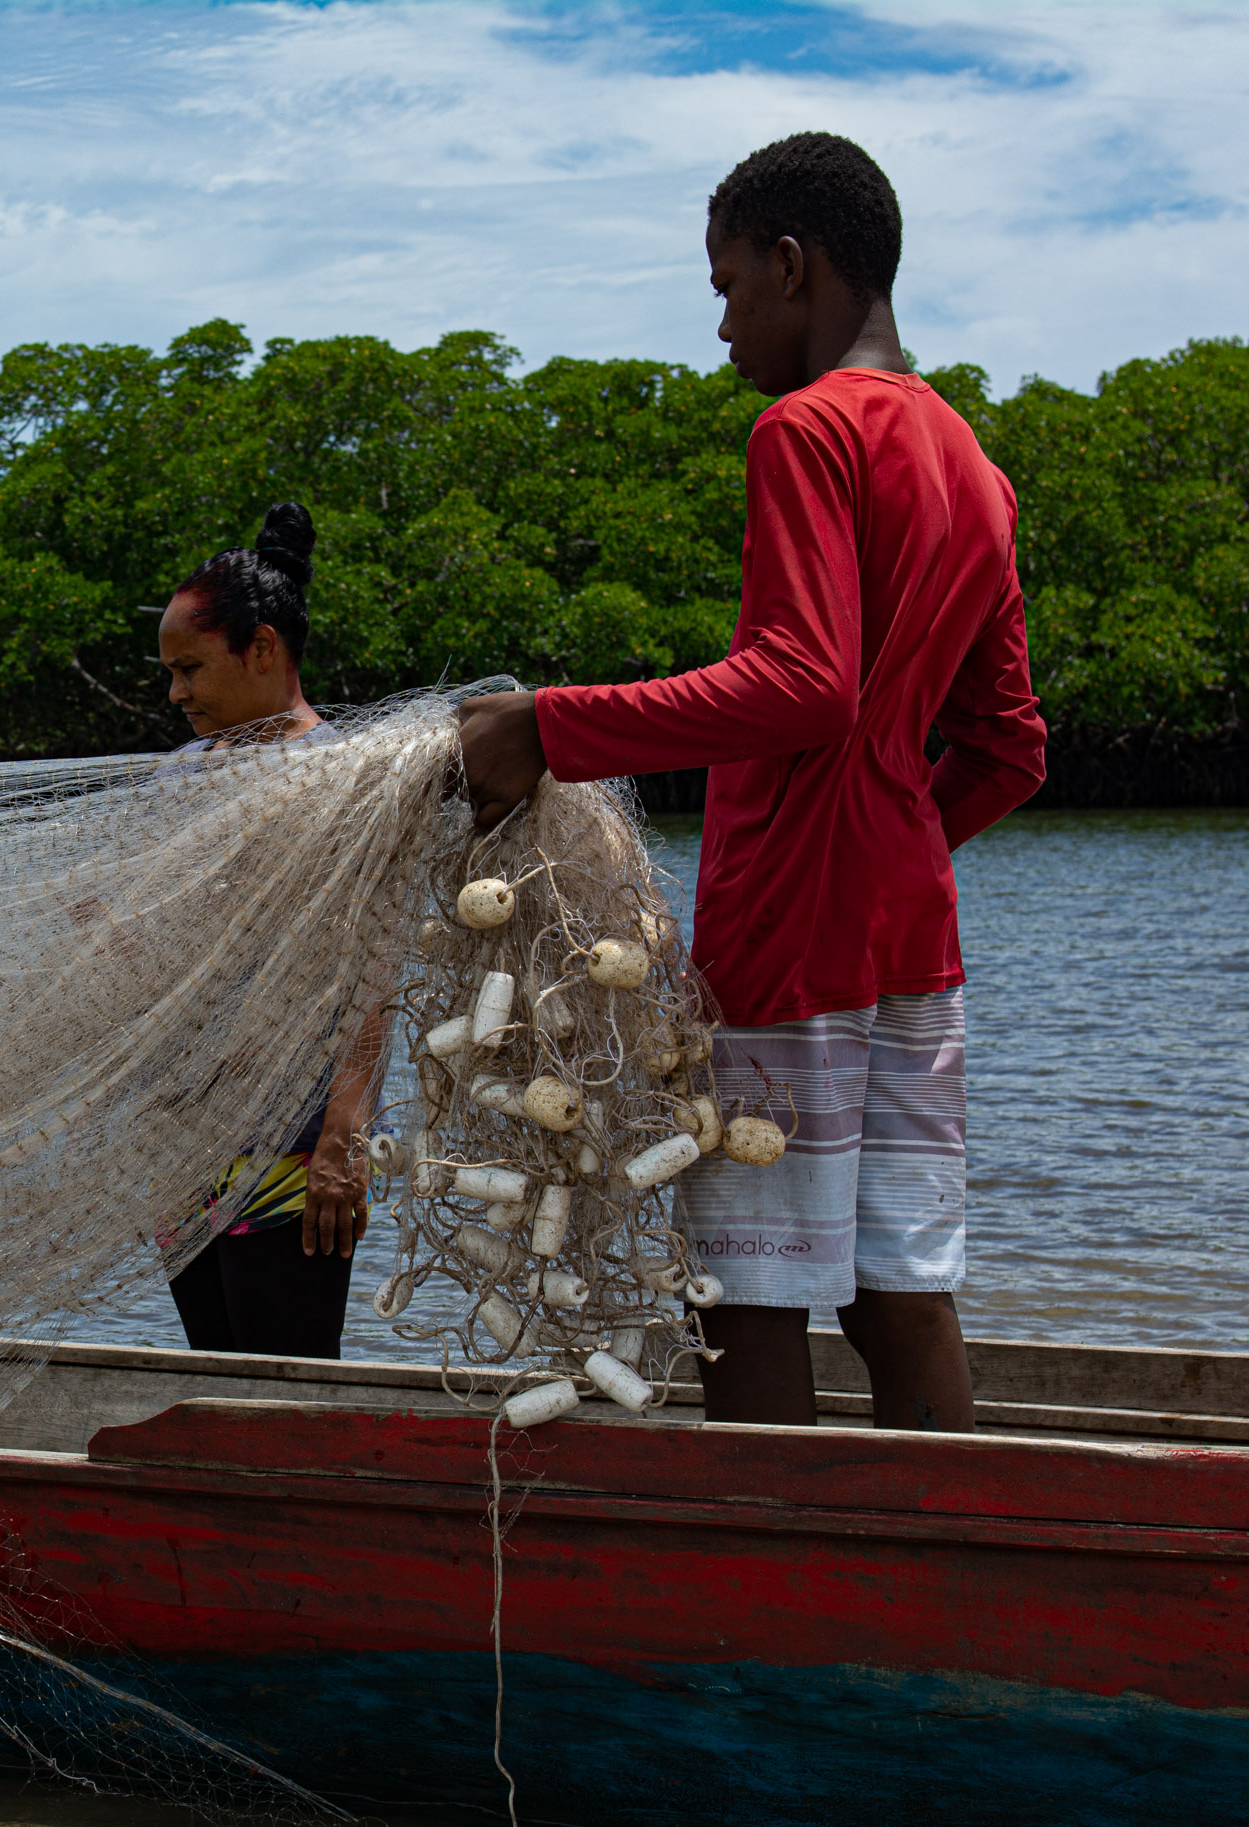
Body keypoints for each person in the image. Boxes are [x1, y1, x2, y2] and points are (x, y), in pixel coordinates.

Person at [457, 133, 1046, 1431]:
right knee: (901, 1292)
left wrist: (549, 725)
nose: (722, 326)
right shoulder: (975, 467)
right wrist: (896, 845)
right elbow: (1011, 749)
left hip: (787, 940)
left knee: (749, 1293)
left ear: (792, 266)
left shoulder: (807, 430)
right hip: (914, 947)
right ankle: (945, 1543)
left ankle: (779, 1561)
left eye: (727, 288)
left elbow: (802, 683)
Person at [157, 502, 387, 1360]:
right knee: (213, 1373)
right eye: (170, 673)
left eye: (190, 669)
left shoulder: (349, 778)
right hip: (178, 1146)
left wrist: (343, 1136)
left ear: (261, 650)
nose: (177, 694)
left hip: (294, 1148)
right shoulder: (179, 777)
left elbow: (373, 971)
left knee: (284, 1382)